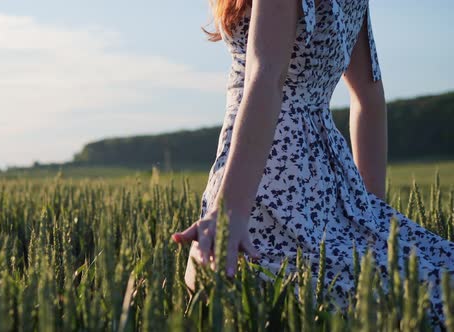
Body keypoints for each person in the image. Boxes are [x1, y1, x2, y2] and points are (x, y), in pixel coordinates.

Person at [170, 0, 454, 328]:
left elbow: (267, 78)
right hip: (325, 169)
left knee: (229, 294)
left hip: (266, 171)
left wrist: (230, 212)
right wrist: (369, 216)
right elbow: (370, 99)